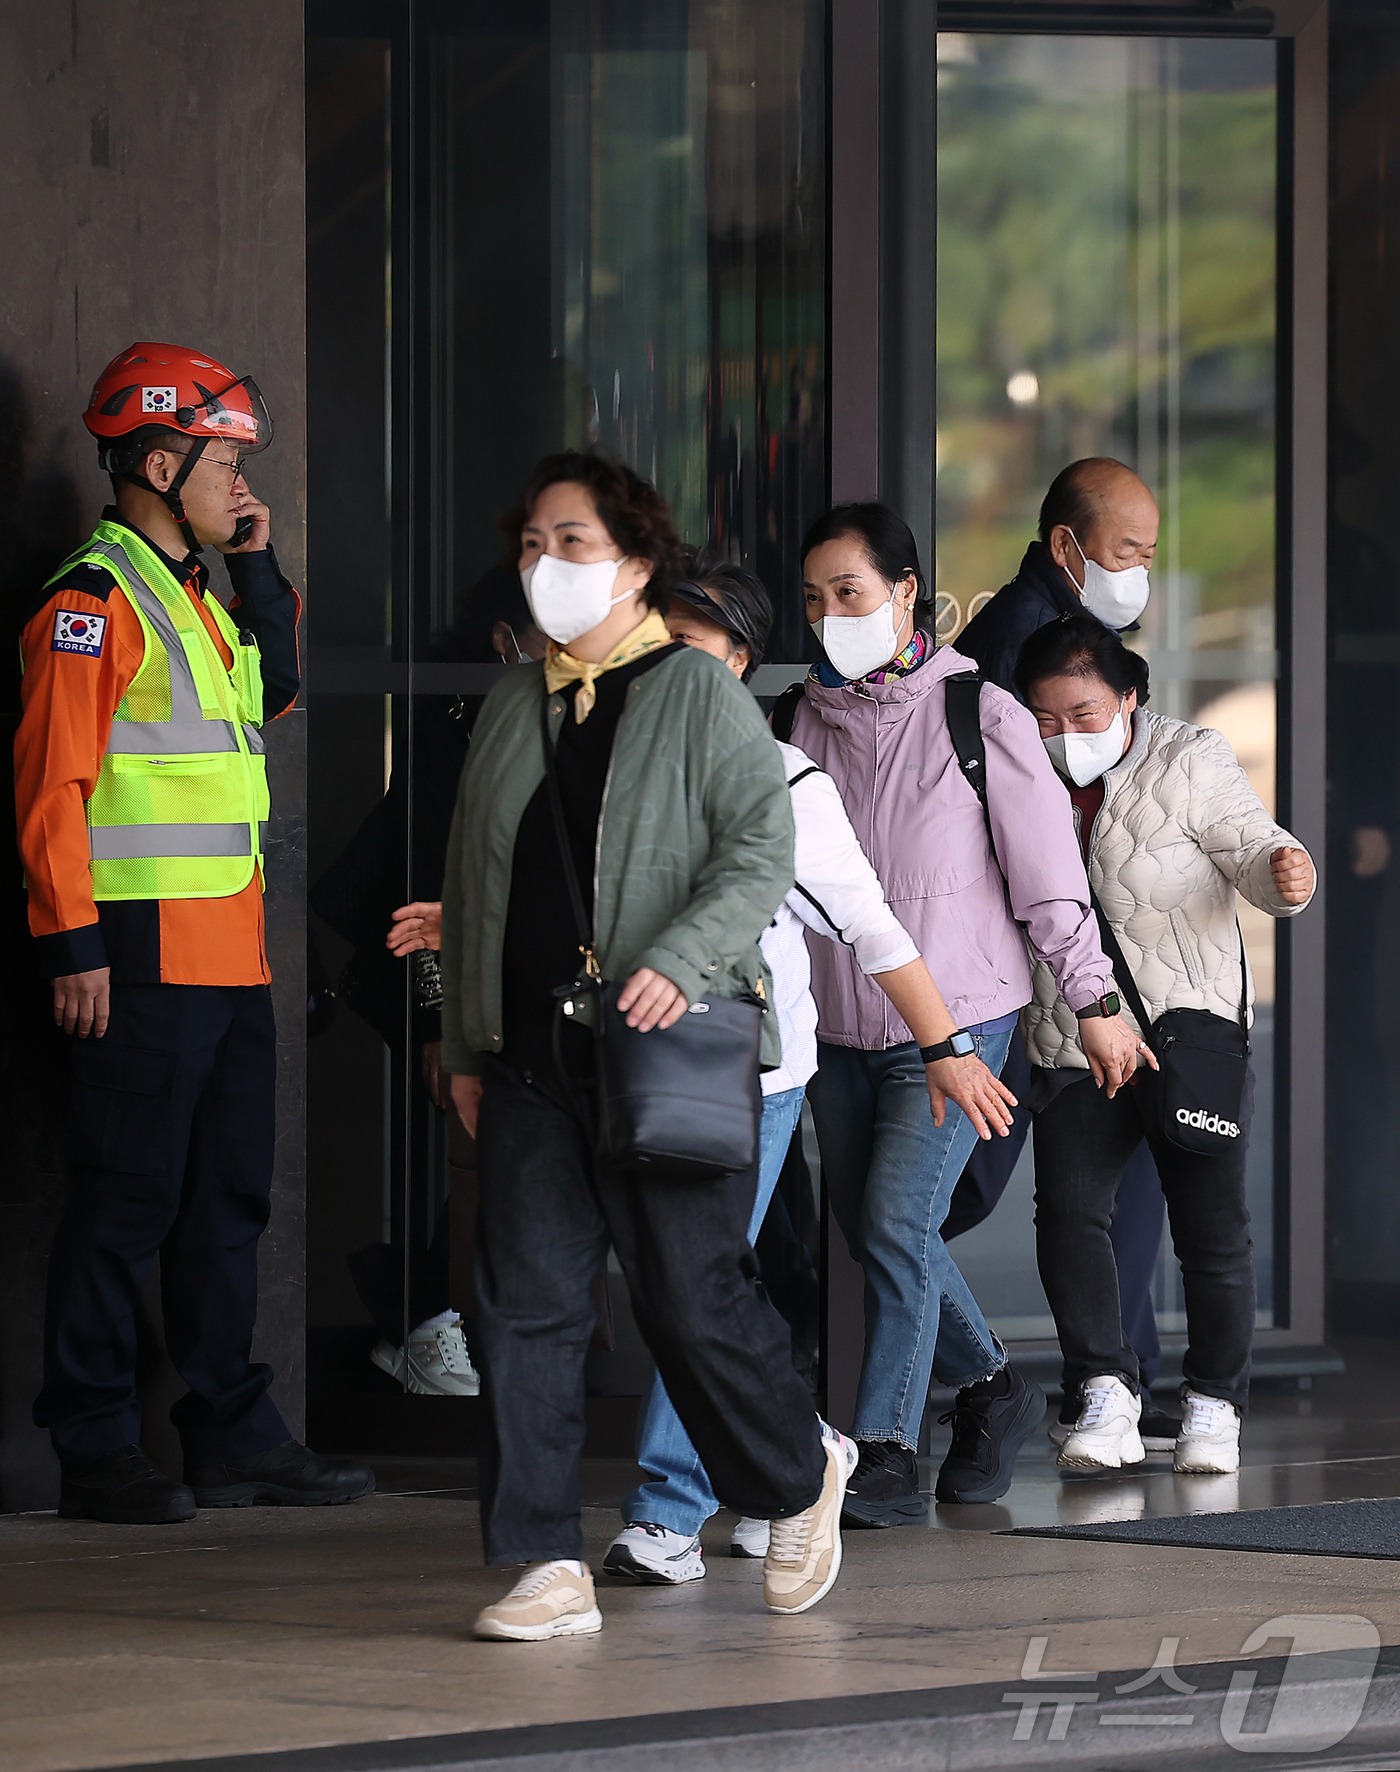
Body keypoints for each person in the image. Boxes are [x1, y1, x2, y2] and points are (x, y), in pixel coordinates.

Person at [439, 452, 855, 1641]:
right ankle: (539, 1563)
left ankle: (796, 1466)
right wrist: (463, 1036)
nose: (543, 565)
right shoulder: (515, 701)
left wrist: (681, 957)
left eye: (569, 542)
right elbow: (479, 878)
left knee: (687, 1294)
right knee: (524, 1308)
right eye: (530, 542)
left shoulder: (694, 692)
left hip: (658, 1047)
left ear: (632, 561)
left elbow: (756, 845)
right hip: (527, 1056)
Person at [602, 559, 1017, 1581]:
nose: (657, 667)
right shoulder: (596, 761)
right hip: (619, 1053)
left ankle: (666, 1510)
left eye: (686, 648)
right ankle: (790, 1466)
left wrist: (944, 1045)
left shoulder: (786, 781)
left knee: (685, 1282)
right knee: (698, 1280)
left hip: (742, 1067)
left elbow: (868, 923)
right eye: (648, 642)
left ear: (738, 664)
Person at [15, 342, 373, 1523]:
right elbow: (50, 786)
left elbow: (269, 694)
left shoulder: (199, 596)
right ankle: (94, 1443)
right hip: (141, 949)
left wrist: (261, 567)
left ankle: (229, 1433)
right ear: (158, 461)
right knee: (124, 1201)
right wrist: (72, 943)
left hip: (229, 954)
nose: (242, 487)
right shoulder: (93, 600)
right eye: (226, 464)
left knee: (227, 1201)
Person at [784, 501, 1144, 1523]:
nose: (828, 615)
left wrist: (1096, 1003)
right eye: (813, 599)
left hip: (959, 1023)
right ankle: (991, 1385)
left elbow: (1047, 883)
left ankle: (887, 1448)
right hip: (841, 1026)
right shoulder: (797, 719)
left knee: (898, 1219)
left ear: (904, 592)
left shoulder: (975, 715)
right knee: (874, 1228)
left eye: (848, 592)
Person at [1015, 616, 1314, 1475]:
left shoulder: (1191, 759)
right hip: (1072, 1033)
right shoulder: (1014, 770)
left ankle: (1214, 1407)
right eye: (1045, 718)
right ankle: (1104, 1391)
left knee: (1211, 1234)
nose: (1064, 735)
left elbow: (1254, 850)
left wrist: (1285, 874)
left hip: (1189, 1032)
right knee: (1070, 1218)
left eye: (1083, 712)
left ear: (1129, 699)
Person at [951, 457, 1180, 1452]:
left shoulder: (1069, 636)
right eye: (1126, 552)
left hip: (1075, 956)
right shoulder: (1016, 644)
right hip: (1028, 959)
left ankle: (1118, 1376)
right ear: (1065, 547)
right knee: (951, 1182)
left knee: (1114, 1169)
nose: (1138, 573)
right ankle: (835, 1333)